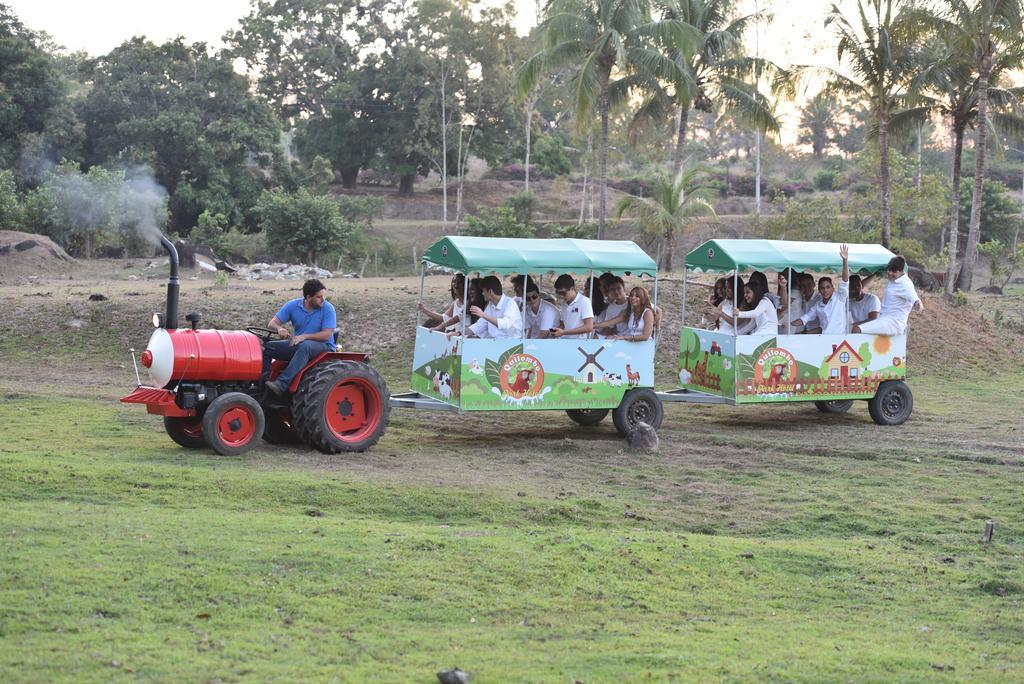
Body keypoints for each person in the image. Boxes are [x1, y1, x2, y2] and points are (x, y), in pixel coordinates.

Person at [263, 278, 337, 395]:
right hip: (299, 344)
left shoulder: (327, 308)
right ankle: (262, 383)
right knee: (268, 347)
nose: (323, 300)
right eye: (319, 297)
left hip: (324, 346)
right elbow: (272, 324)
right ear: (308, 297)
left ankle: (281, 384)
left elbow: (326, 335)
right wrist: (279, 328)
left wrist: (304, 336)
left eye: (323, 296)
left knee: (305, 346)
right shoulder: (293, 306)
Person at [853, 256, 923, 334]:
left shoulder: (905, 285)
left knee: (856, 329)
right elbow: (860, 285)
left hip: (893, 323)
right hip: (883, 319)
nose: (890, 273)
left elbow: (914, 297)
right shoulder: (893, 279)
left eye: (894, 272)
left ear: (901, 271)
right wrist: (874, 273)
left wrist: (918, 304)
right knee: (856, 327)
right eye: (889, 270)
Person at [790, 244, 851, 335]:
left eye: (828, 287)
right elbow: (805, 318)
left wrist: (845, 261)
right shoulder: (818, 306)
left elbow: (845, 281)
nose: (825, 290)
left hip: (839, 340)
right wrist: (789, 323)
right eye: (822, 288)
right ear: (818, 289)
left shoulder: (840, 298)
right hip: (824, 339)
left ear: (832, 288)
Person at [457, 275, 523, 339]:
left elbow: (504, 324)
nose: (482, 293)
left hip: (512, 345)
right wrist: (459, 333)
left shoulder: (510, 303)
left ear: (490, 291)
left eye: (483, 291)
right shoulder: (490, 305)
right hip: (494, 343)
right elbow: (479, 326)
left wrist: (483, 315)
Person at [552, 274, 594, 339]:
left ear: (572, 288)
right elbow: (563, 324)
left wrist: (564, 332)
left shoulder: (584, 301)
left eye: (563, 293)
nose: (561, 296)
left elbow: (589, 327)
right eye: (558, 293)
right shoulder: (564, 303)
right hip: (564, 341)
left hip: (579, 343)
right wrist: (556, 330)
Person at [777, 267, 804, 334]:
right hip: (790, 319)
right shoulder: (790, 288)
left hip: (792, 321)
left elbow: (785, 305)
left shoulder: (795, 289)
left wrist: (783, 287)